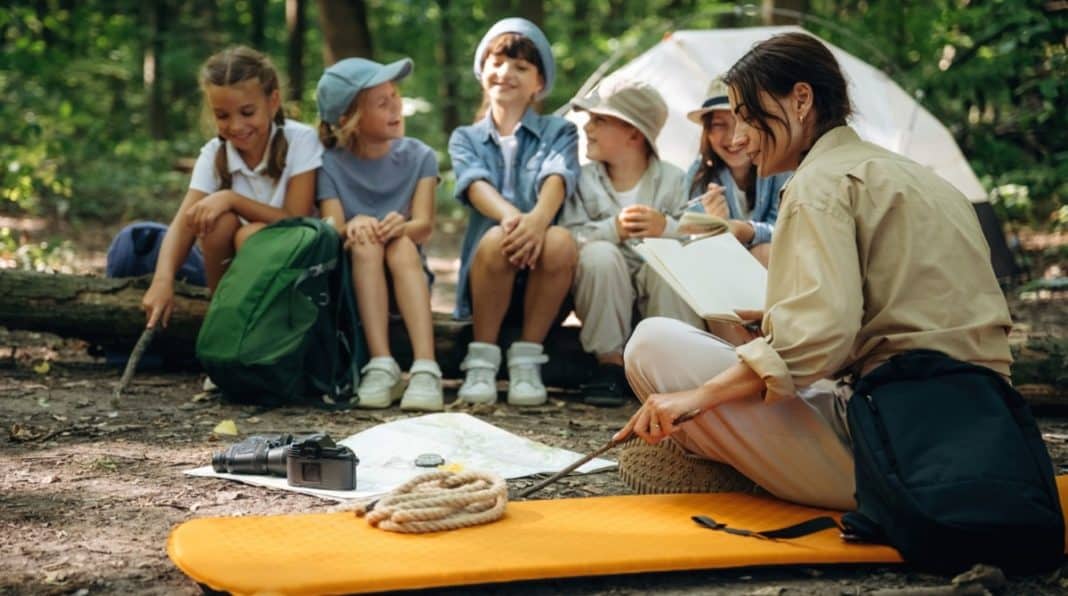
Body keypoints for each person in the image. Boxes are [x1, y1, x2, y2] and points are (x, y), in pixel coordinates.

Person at [616, 32, 1013, 510]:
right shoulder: (924, 180)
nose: (738, 138)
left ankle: (743, 469)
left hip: (892, 455)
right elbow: (903, 320)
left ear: (801, 99)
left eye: (745, 116)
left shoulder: (817, 186)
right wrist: (775, 317)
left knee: (651, 344)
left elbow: (816, 341)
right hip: (985, 437)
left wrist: (695, 397)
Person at [448, 17, 580, 407]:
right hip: (488, 265)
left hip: (543, 270)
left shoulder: (561, 130)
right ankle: (483, 359)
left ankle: (526, 359)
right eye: (498, 62)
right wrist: (514, 221)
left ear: (538, 83)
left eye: (521, 67)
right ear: (483, 71)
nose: (506, 73)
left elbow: (558, 175)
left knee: (560, 240)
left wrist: (538, 221)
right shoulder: (465, 137)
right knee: (495, 237)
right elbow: (475, 186)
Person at [142, 46, 322, 330]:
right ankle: (224, 319)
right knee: (215, 220)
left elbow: (296, 220)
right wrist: (162, 281)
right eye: (223, 116)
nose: (236, 126)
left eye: (247, 112)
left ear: (273, 102)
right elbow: (183, 224)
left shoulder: (301, 141)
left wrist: (231, 199)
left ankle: (267, 330)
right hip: (237, 270)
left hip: (298, 266)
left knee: (251, 234)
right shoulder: (215, 154)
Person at [560, 78, 702, 407]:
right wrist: (614, 230)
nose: (587, 128)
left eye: (600, 120)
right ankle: (610, 365)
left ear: (634, 134)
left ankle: (670, 368)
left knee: (673, 259)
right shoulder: (582, 180)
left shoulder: (675, 180)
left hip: (658, 296)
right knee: (598, 254)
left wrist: (666, 227)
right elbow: (567, 238)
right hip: (605, 294)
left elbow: (699, 234)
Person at [315, 57, 442, 412]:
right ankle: (382, 364)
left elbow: (424, 225)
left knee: (401, 244)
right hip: (355, 278)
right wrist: (352, 226)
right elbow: (333, 227)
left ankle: (425, 366)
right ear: (347, 119)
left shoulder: (420, 156)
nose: (396, 107)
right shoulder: (328, 163)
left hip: (408, 267)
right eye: (381, 103)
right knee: (365, 241)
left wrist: (402, 226)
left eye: (395, 96)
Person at [682, 77, 791, 269]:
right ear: (707, 132)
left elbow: (787, 230)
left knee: (765, 252)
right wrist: (714, 223)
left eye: (742, 121)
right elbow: (690, 237)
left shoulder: (781, 167)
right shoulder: (698, 173)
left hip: (775, 272)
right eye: (719, 125)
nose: (734, 138)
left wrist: (747, 231)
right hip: (720, 270)